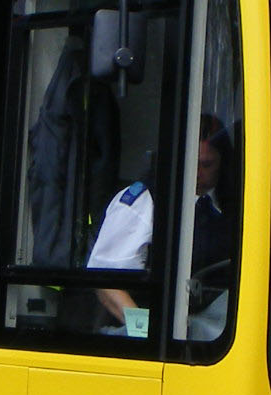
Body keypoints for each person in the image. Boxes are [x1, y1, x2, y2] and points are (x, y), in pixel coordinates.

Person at [87, 118, 234, 337]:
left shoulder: (234, 204)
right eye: (192, 163)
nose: (197, 172)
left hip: (213, 333)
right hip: (145, 335)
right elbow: (105, 283)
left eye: (206, 165)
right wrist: (143, 330)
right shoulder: (144, 201)